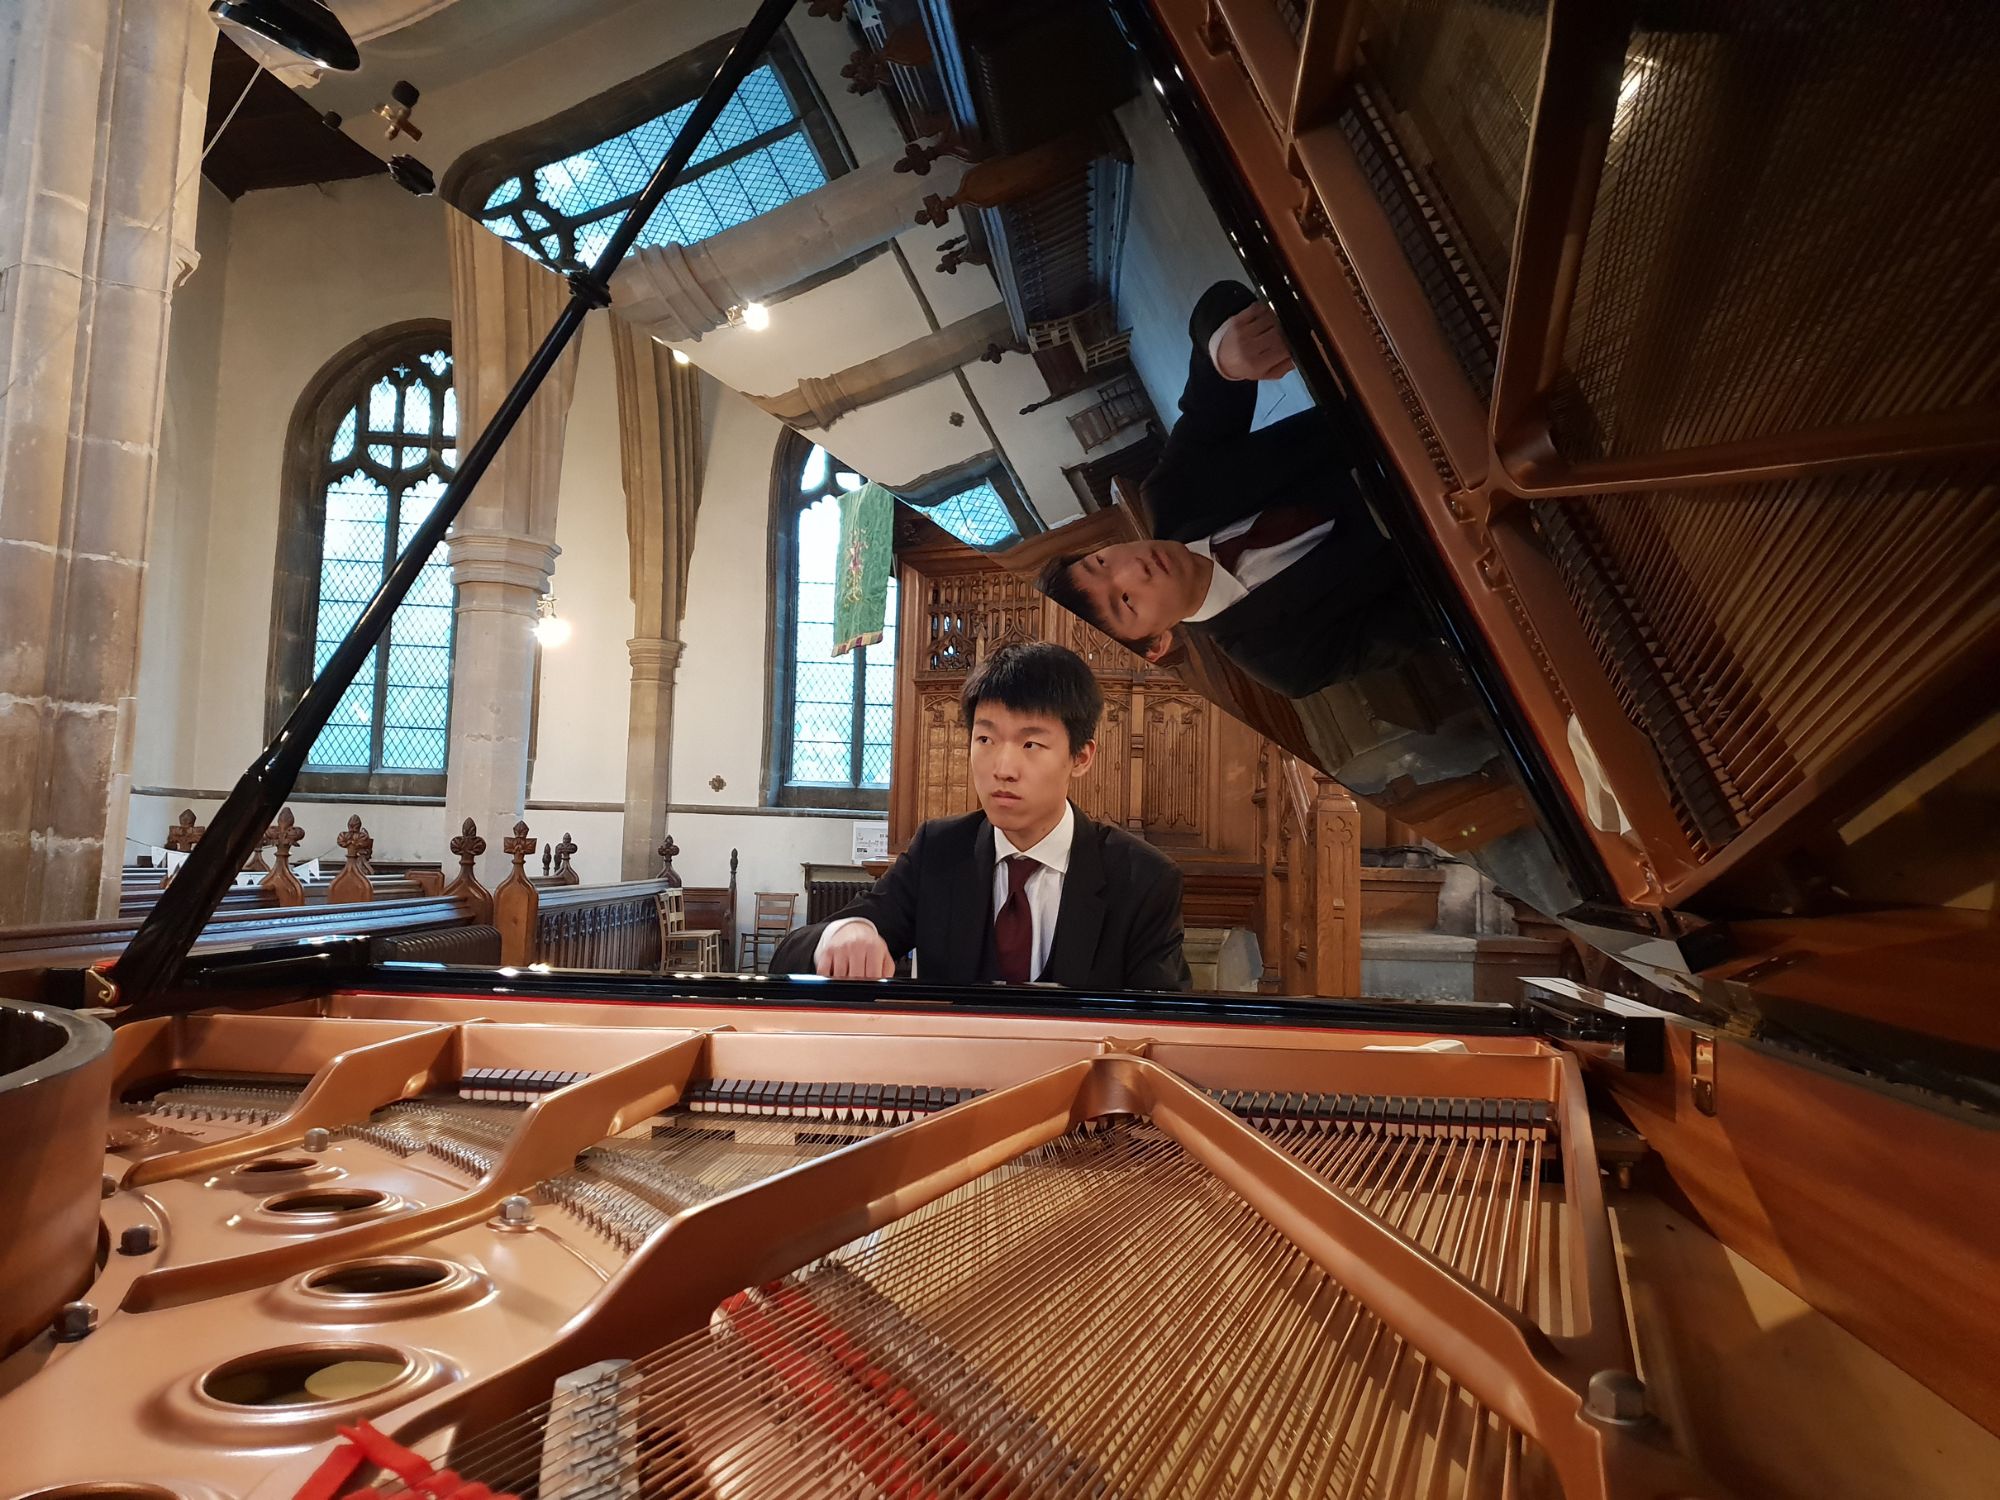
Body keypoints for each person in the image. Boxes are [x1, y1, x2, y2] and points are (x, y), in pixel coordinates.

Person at [1040, 279, 1428, 698]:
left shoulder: (1175, 492)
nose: (1135, 568)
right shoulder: (1287, 661)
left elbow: (1216, 315)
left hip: (1409, 396)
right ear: (1156, 645)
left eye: (1100, 563)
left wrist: (1225, 351)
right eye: (1127, 601)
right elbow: (1432, 617)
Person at [770, 641, 1191, 991]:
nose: (1002, 767)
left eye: (1030, 745)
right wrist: (842, 934)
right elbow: (790, 953)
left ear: (1081, 756)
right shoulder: (939, 850)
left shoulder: (1143, 878)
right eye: (986, 738)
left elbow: (1163, 1027)